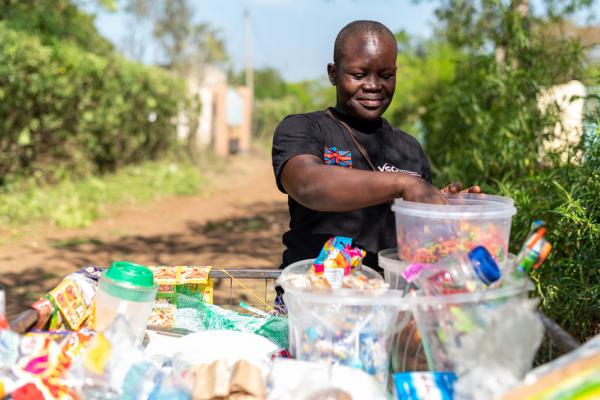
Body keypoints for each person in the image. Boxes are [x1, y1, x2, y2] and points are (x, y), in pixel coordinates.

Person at [271, 20, 480, 271]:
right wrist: (404, 184)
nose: (373, 86)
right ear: (333, 74)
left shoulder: (409, 148)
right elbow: (307, 185)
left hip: (383, 298)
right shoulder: (304, 129)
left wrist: (443, 209)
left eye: (386, 76)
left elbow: (417, 243)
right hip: (309, 298)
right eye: (358, 75)